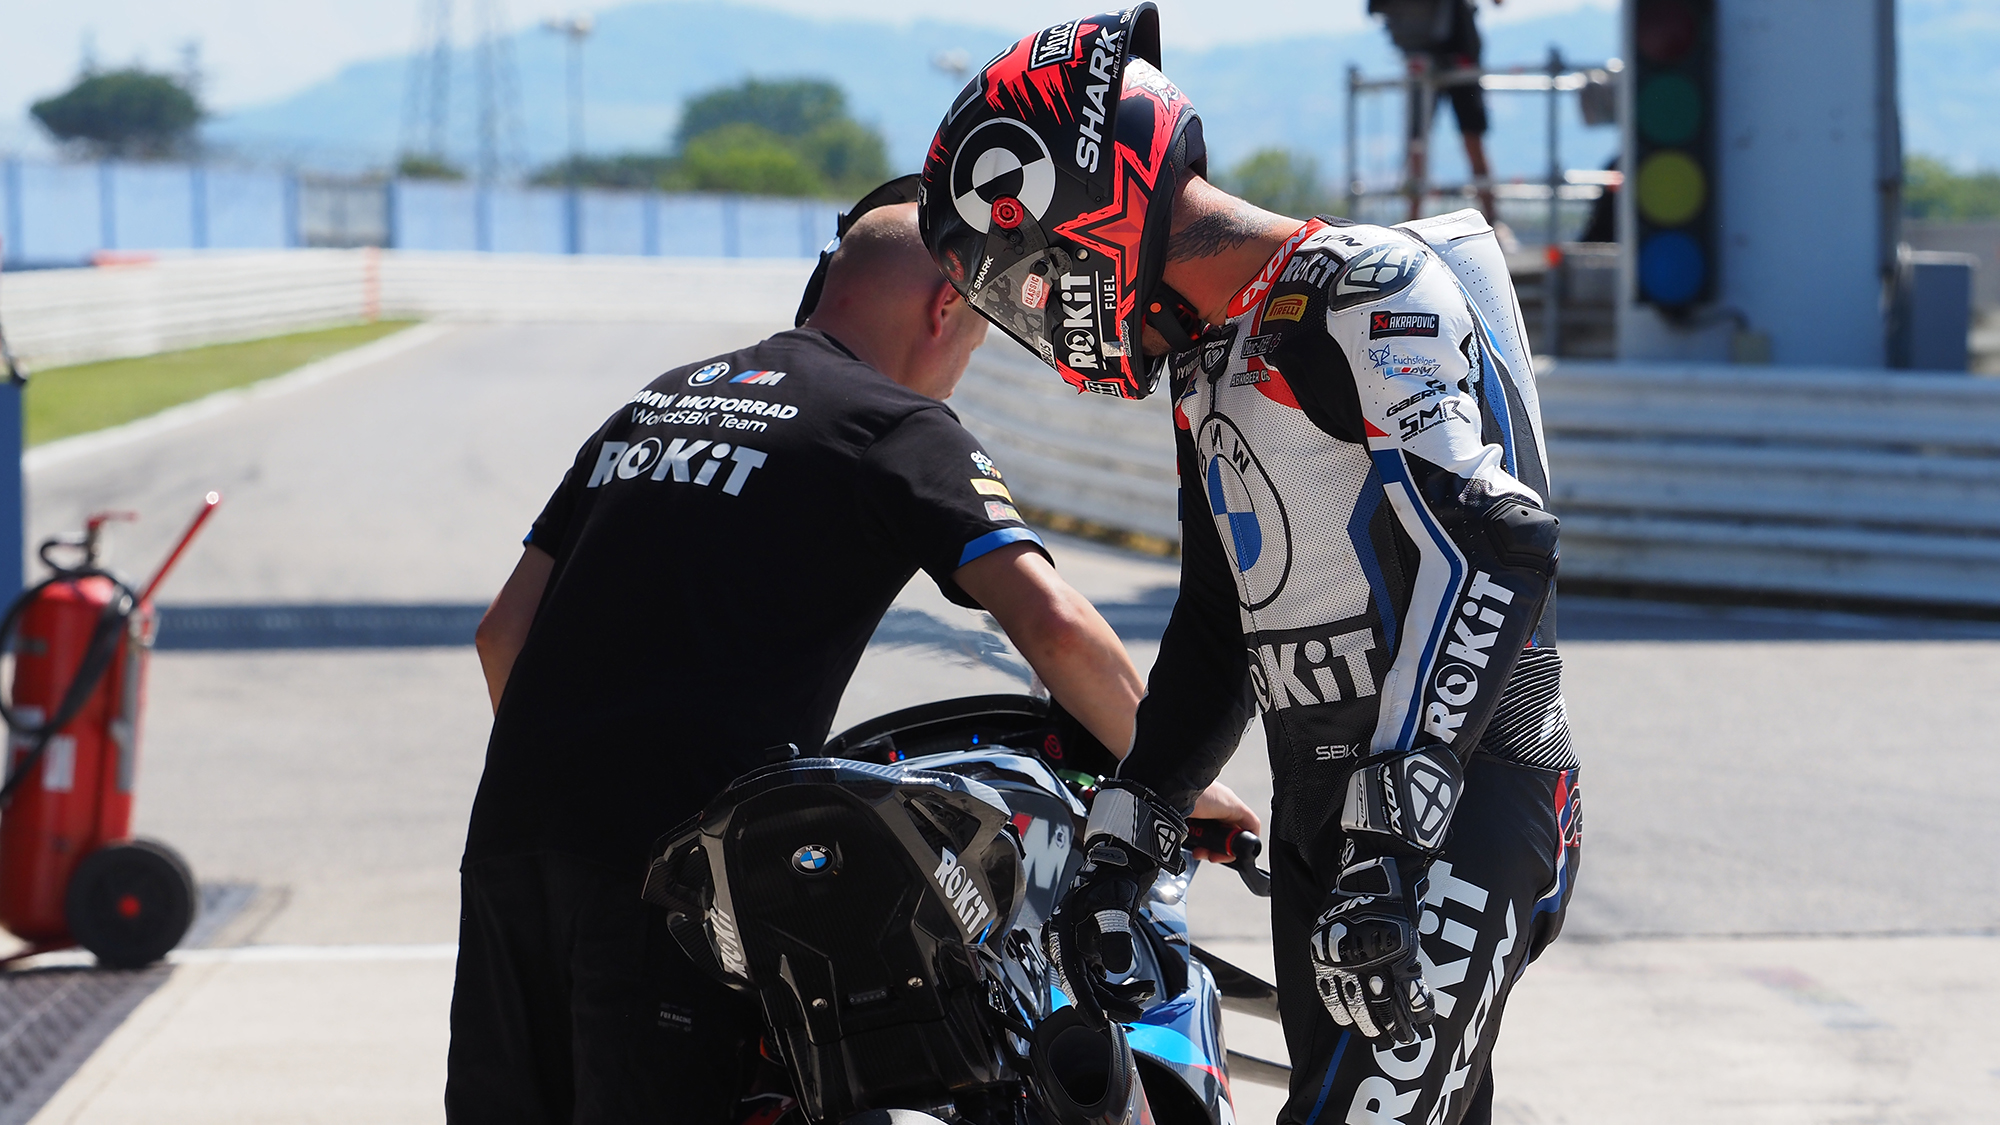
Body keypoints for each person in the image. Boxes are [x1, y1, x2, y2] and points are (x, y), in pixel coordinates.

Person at [445, 181, 1256, 1124]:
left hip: (508, 840)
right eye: (978, 337)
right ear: (946, 304)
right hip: (674, 880)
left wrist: (577, 789)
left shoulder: (659, 400)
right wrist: (1179, 783)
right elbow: (1054, 623)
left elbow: (502, 633)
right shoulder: (894, 426)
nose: (964, 364)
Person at [916, 8, 1580, 1125]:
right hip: (1333, 817)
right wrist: (1130, 832)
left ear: (1093, 208)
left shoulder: (1363, 285)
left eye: (1030, 271)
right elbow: (1220, 622)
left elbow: (1499, 542)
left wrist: (1395, 829)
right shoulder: (1206, 361)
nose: (1036, 306)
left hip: (1460, 804)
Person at [1371, 0, 1502, 221]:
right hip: (1450, 53)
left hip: (1448, 54)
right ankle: (1415, 221)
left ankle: (1490, 221)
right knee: (1423, 143)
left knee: (1430, 142)